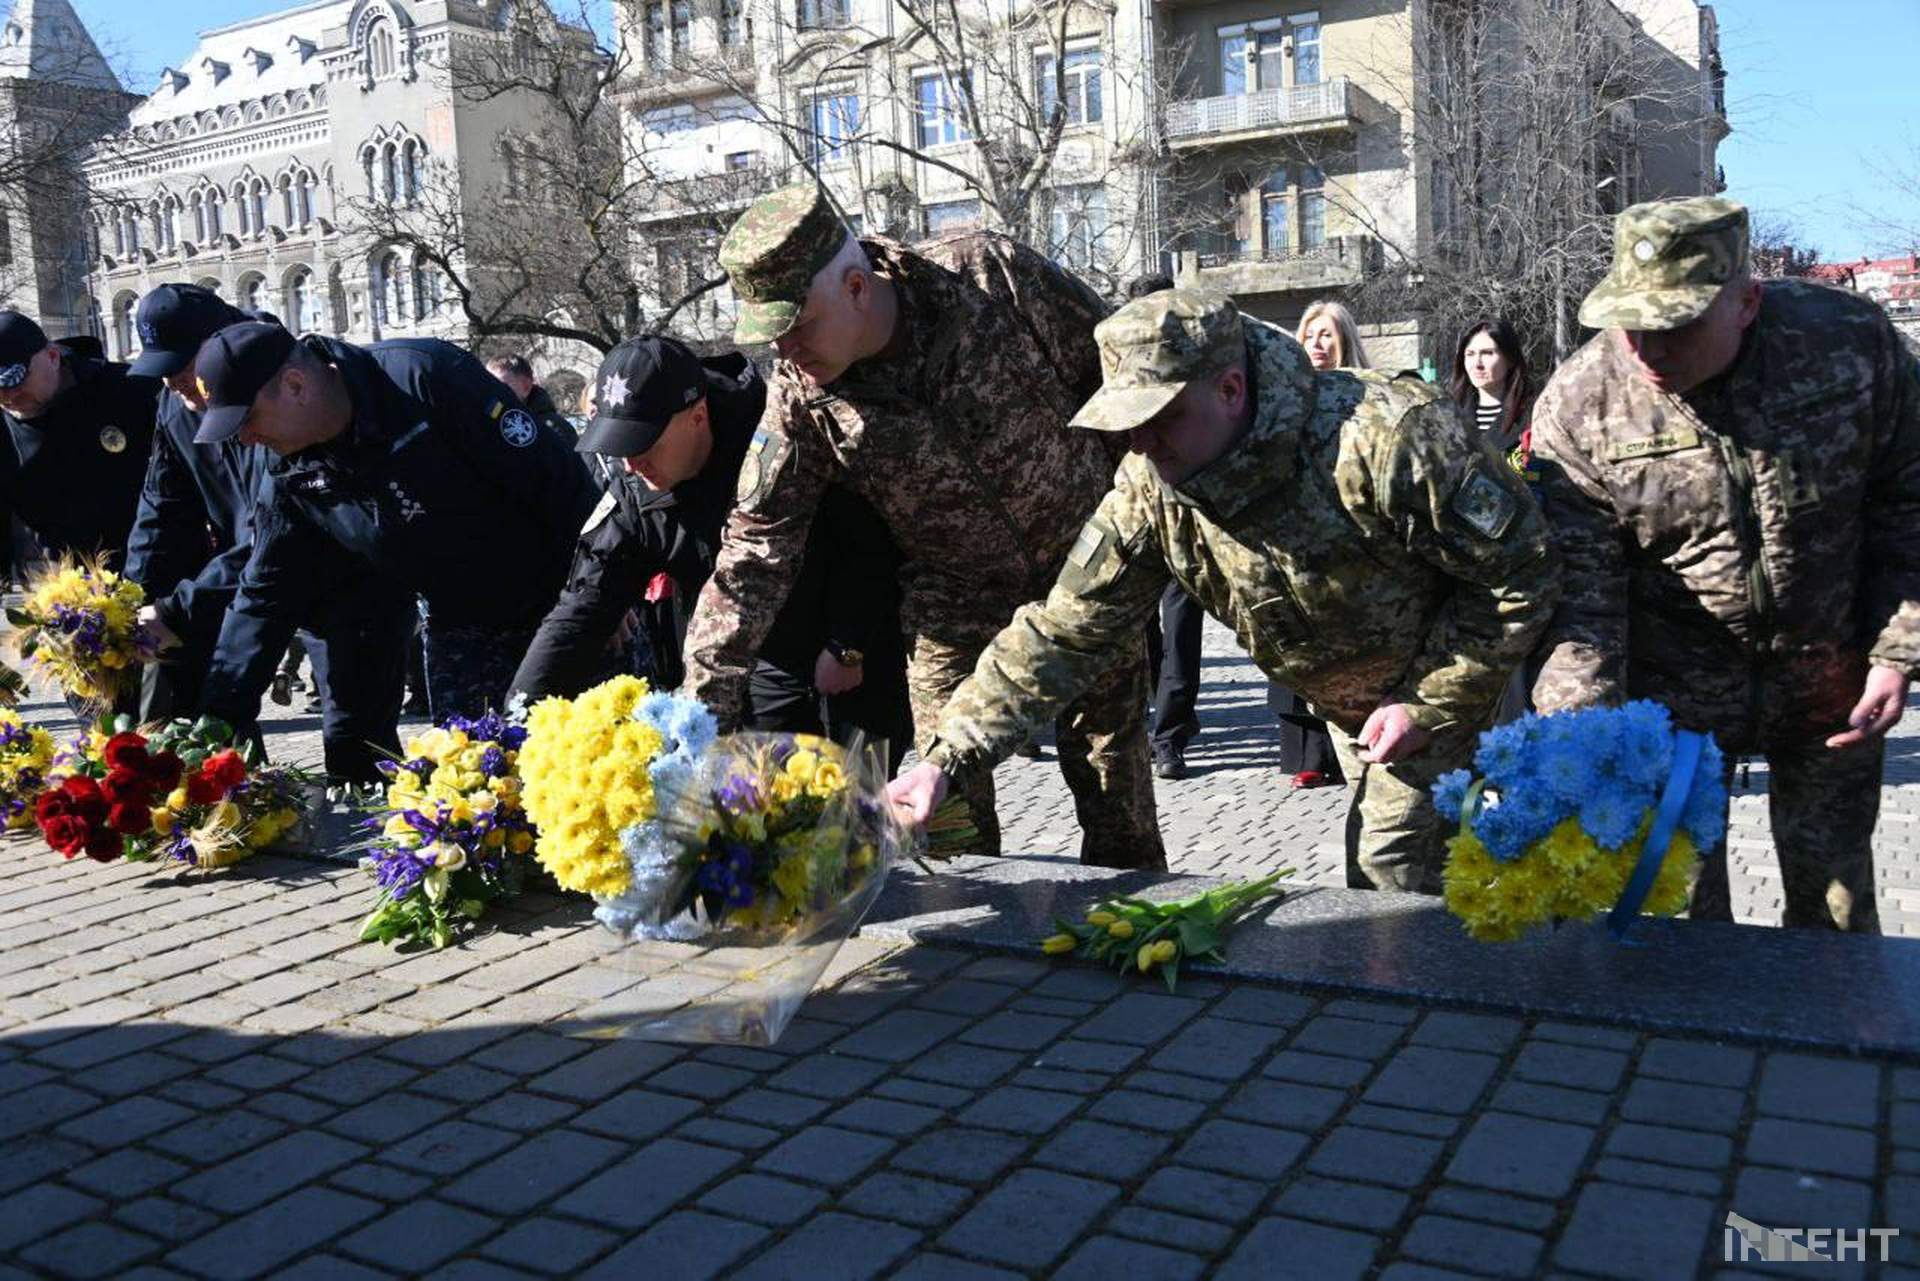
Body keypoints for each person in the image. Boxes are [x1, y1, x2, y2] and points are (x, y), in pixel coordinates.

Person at [888, 289, 1560, 893]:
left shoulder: (1385, 437)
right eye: (1128, 424)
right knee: (1418, 888)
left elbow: (1519, 570)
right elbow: (1064, 628)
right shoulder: (1152, 486)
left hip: (1444, 690)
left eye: (1162, 416)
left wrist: (1427, 702)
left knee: (1391, 873)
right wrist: (948, 758)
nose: (1142, 443)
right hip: (1353, 715)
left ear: (1231, 389)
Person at [681, 183, 1165, 870]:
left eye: (797, 324)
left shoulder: (990, 277)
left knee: (1115, 795)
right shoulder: (801, 395)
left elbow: (1121, 379)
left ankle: (1132, 959)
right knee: (942, 807)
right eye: (772, 335)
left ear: (857, 286)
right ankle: (976, 959)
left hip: (1082, 572)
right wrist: (703, 713)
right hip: (953, 599)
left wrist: (1145, 542)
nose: (786, 350)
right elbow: (756, 547)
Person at [1529, 196, 1920, 933]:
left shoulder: (1848, 346)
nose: (1646, 347)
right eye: (1630, 321)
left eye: (1675, 325)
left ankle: (1826, 1047)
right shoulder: (1580, 405)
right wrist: (1589, 742)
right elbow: (1582, 601)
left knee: (1836, 921)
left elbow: (1909, 501)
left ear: (1746, 302)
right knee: (1678, 929)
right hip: (1672, 712)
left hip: (1831, 694)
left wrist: (1897, 652)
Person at [192, 321, 598, 724]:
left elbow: (559, 481)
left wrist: (595, 594)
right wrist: (216, 722)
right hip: (459, 625)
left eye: (247, 418)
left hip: (554, 603)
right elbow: (267, 586)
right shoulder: (285, 466)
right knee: (475, 772)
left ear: (296, 385)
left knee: (596, 765)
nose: (243, 439)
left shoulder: (422, 377)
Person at [121, 287, 414, 779]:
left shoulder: (272, 391)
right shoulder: (175, 407)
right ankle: (245, 820)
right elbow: (161, 510)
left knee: (353, 739)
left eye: (184, 370)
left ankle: (386, 833)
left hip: (343, 588)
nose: (176, 385)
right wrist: (134, 599)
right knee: (221, 723)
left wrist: (179, 607)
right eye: (164, 374)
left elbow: (268, 533)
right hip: (250, 589)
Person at [1265, 300, 1375, 791]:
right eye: (1310, 334)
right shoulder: (1285, 394)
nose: (1317, 343)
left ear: (1345, 340)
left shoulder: (1367, 395)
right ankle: (1310, 753)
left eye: (1327, 334)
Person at [0, 311, 159, 577]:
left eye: (16, 381)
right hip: (58, 585)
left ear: (52, 357)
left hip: (152, 568)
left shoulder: (130, 390)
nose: (7, 396)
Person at [1452, 319, 1532, 456]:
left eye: (1487, 353)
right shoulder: (1450, 415)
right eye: (1470, 354)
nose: (1477, 363)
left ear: (1510, 359)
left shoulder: (1534, 415)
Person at [487, 352, 577, 444]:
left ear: (526, 386)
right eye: (489, 386)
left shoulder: (554, 429)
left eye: (501, 386)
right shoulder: (486, 424)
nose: (494, 392)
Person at [1296, 299, 1369, 371]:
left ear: (1345, 342)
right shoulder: (1290, 381)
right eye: (1309, 336)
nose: (1315, 344)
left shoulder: (1368, 381)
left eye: (1326, 335)